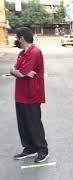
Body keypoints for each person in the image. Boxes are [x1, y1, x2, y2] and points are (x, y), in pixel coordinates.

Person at [10, 27, 49, 163]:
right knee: (23, 123)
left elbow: (23, 71)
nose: (16, 41)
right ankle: (29, 148)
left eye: (17, 38)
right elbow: (17, 71)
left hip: (32, 94)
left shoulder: (35, 52)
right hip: (20, 94)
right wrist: (15, 71)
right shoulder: (22, 53)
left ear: (21, 38)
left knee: (34, 123)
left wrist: (16, 71)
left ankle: (42, 149)